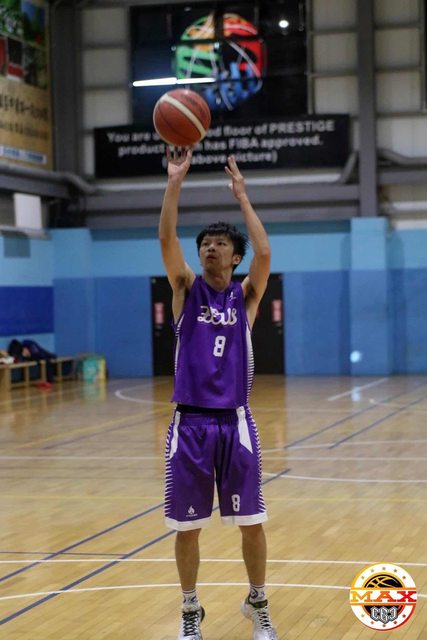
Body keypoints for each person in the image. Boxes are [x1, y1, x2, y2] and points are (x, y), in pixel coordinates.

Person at [159, 147, 277, 640]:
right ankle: (191, 608)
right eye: (205, 243)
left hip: (235, 421)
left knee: (252, 521)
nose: (210, 248)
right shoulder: (186, 288)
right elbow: (167, 239)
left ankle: (258, 601)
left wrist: (242, 197)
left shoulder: (244, 296)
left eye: (220, 243)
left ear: (234, 255)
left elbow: (265, 254)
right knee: (187, 527)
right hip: (190, 423)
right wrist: (175, 181)